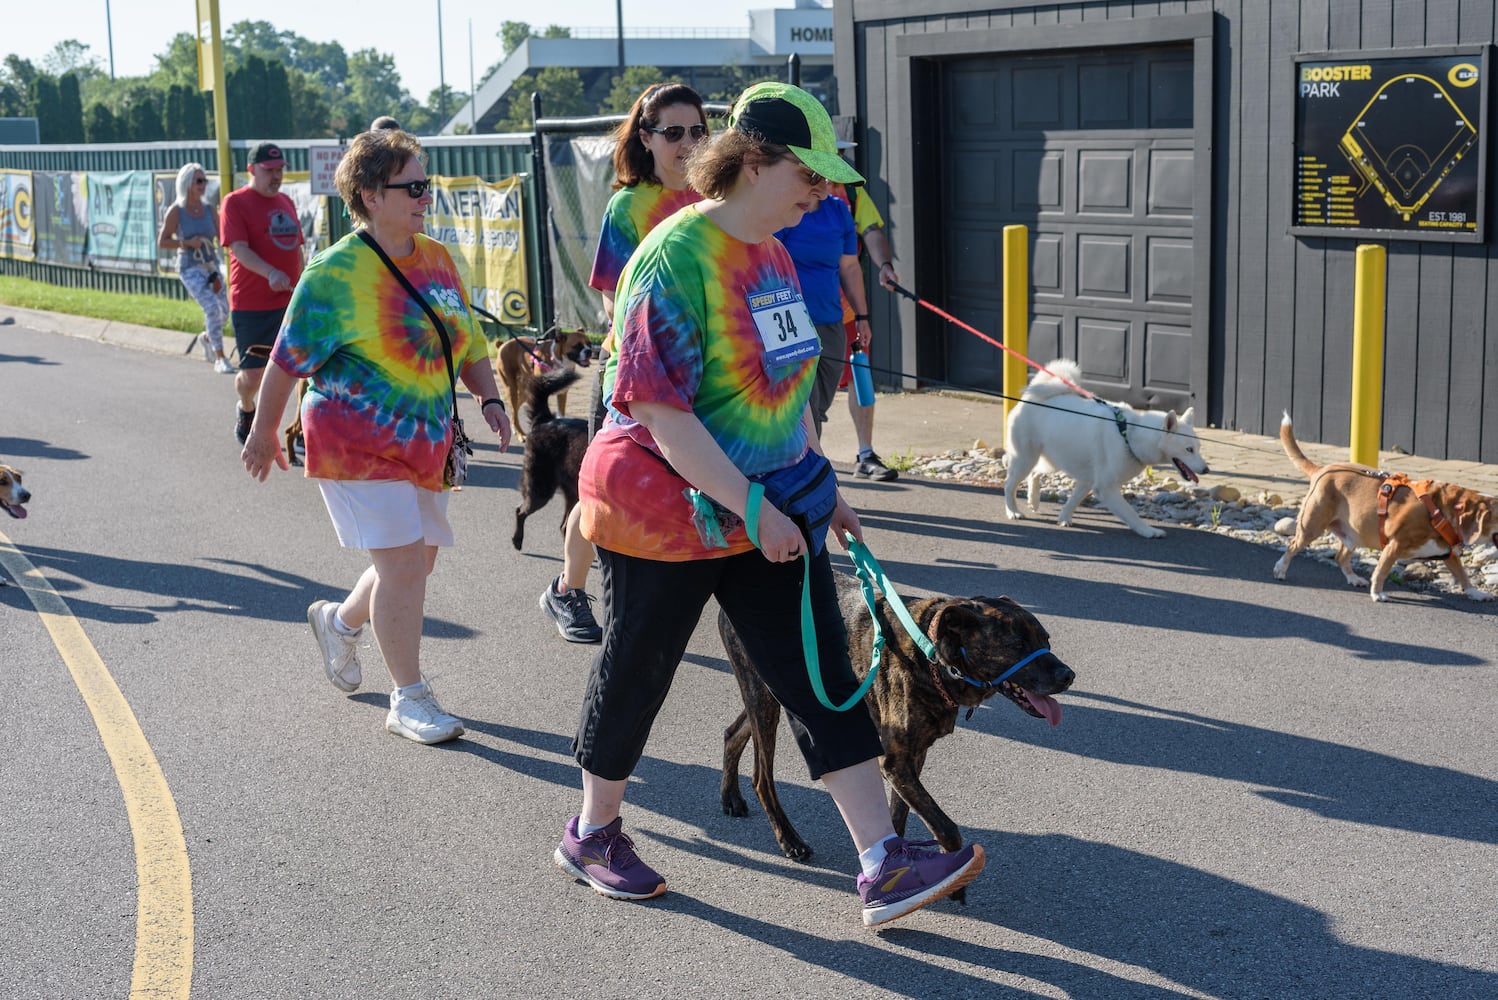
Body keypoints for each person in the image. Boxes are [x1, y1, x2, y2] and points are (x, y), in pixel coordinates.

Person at [553, 81, 985, 928]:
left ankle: (881, 862)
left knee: (820, 671)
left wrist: (825, 494)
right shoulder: (673, 256)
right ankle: (592, 832)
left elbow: (783, 404)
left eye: (828, 180)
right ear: (754, 161)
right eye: (811, 176)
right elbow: (658, 408)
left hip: (770, 511)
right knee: (638, 671)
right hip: (663, 514)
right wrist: (753, 506)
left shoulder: (777, 254)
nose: (823, 194)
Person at [239, 128, 513, 744]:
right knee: (403, 566)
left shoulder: (438, 259)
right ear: (368, 194)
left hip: (427, 440)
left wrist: (490, 398)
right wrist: (262, 433)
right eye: (412, 186)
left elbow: (465, 341)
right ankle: (408, 700)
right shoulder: (334, 273)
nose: (425, 196)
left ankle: (339, 621)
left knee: (419, 560)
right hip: (354, 441)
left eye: (427, 184)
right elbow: (287, 359)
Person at [538, 82, 709, 644]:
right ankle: (567, 589)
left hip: (705, 376)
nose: (687, 143)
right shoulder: (629, 206)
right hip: (632, 373)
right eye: (673, 133)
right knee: (602, 492)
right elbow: (614, 299)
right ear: (647, 137)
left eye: (697, 131)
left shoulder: (716, 199)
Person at [221, 141, 305, 445]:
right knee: (254, 377)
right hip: (252, 304)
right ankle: (246, 407)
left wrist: (306, 284)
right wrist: (270, 272)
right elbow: (238, 249)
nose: (276, 176)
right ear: (251, 170)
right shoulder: (235, 202)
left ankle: (302, 428)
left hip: (291, 301)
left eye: (280, 169)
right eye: (269, 170)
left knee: (302, 369)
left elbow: (297, 249)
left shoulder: (286, 202)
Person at [828, 168, 901, 481]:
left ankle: (866, 453)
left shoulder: (852, 192)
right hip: (801, 306)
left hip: (846, 307)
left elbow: (871, 230)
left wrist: (884, 266)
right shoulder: (788, 186)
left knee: (860, 375)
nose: (838, 161)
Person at [157, 162, 234, 374]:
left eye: (204, 181)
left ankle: (207, 338)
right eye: (198, 181)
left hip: (211, 266)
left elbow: (222, 236)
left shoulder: (210, 209)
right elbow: (162, 241)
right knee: (211, 308)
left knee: (224, 311)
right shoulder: (176, 211)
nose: (203, 185)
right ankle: (220, 357)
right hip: (189, 267)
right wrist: (187, 243)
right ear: (187, 183)